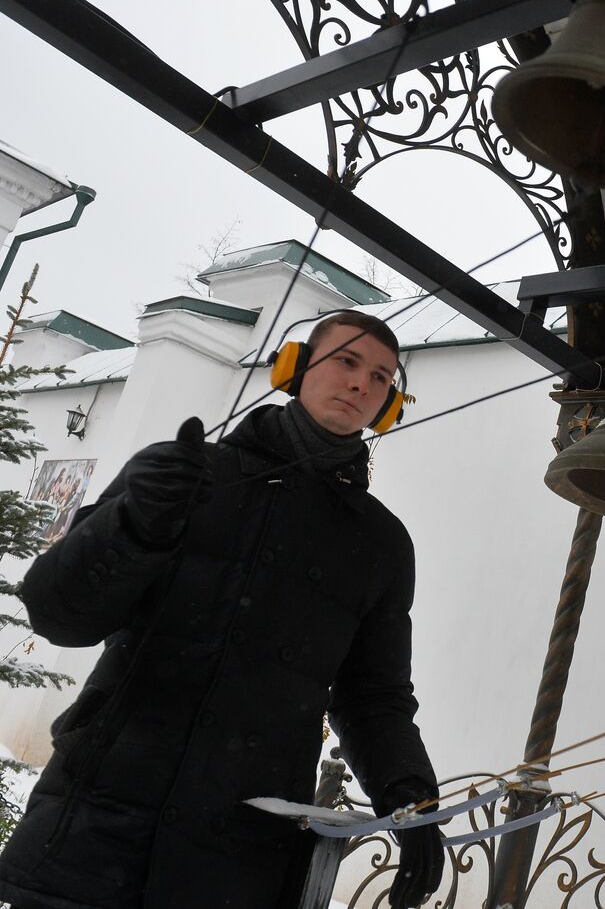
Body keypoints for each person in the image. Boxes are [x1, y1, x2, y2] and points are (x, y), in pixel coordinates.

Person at [0, 312, 445, 908]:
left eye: (382, 376)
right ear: (295, 366)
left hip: (238, 854)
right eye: (347, 360)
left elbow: (374, 699)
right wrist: (133, 525)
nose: (362, 383)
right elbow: (60, 615)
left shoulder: (381, 545)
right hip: (94, 828)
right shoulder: (180, 475)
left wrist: (410, 800)